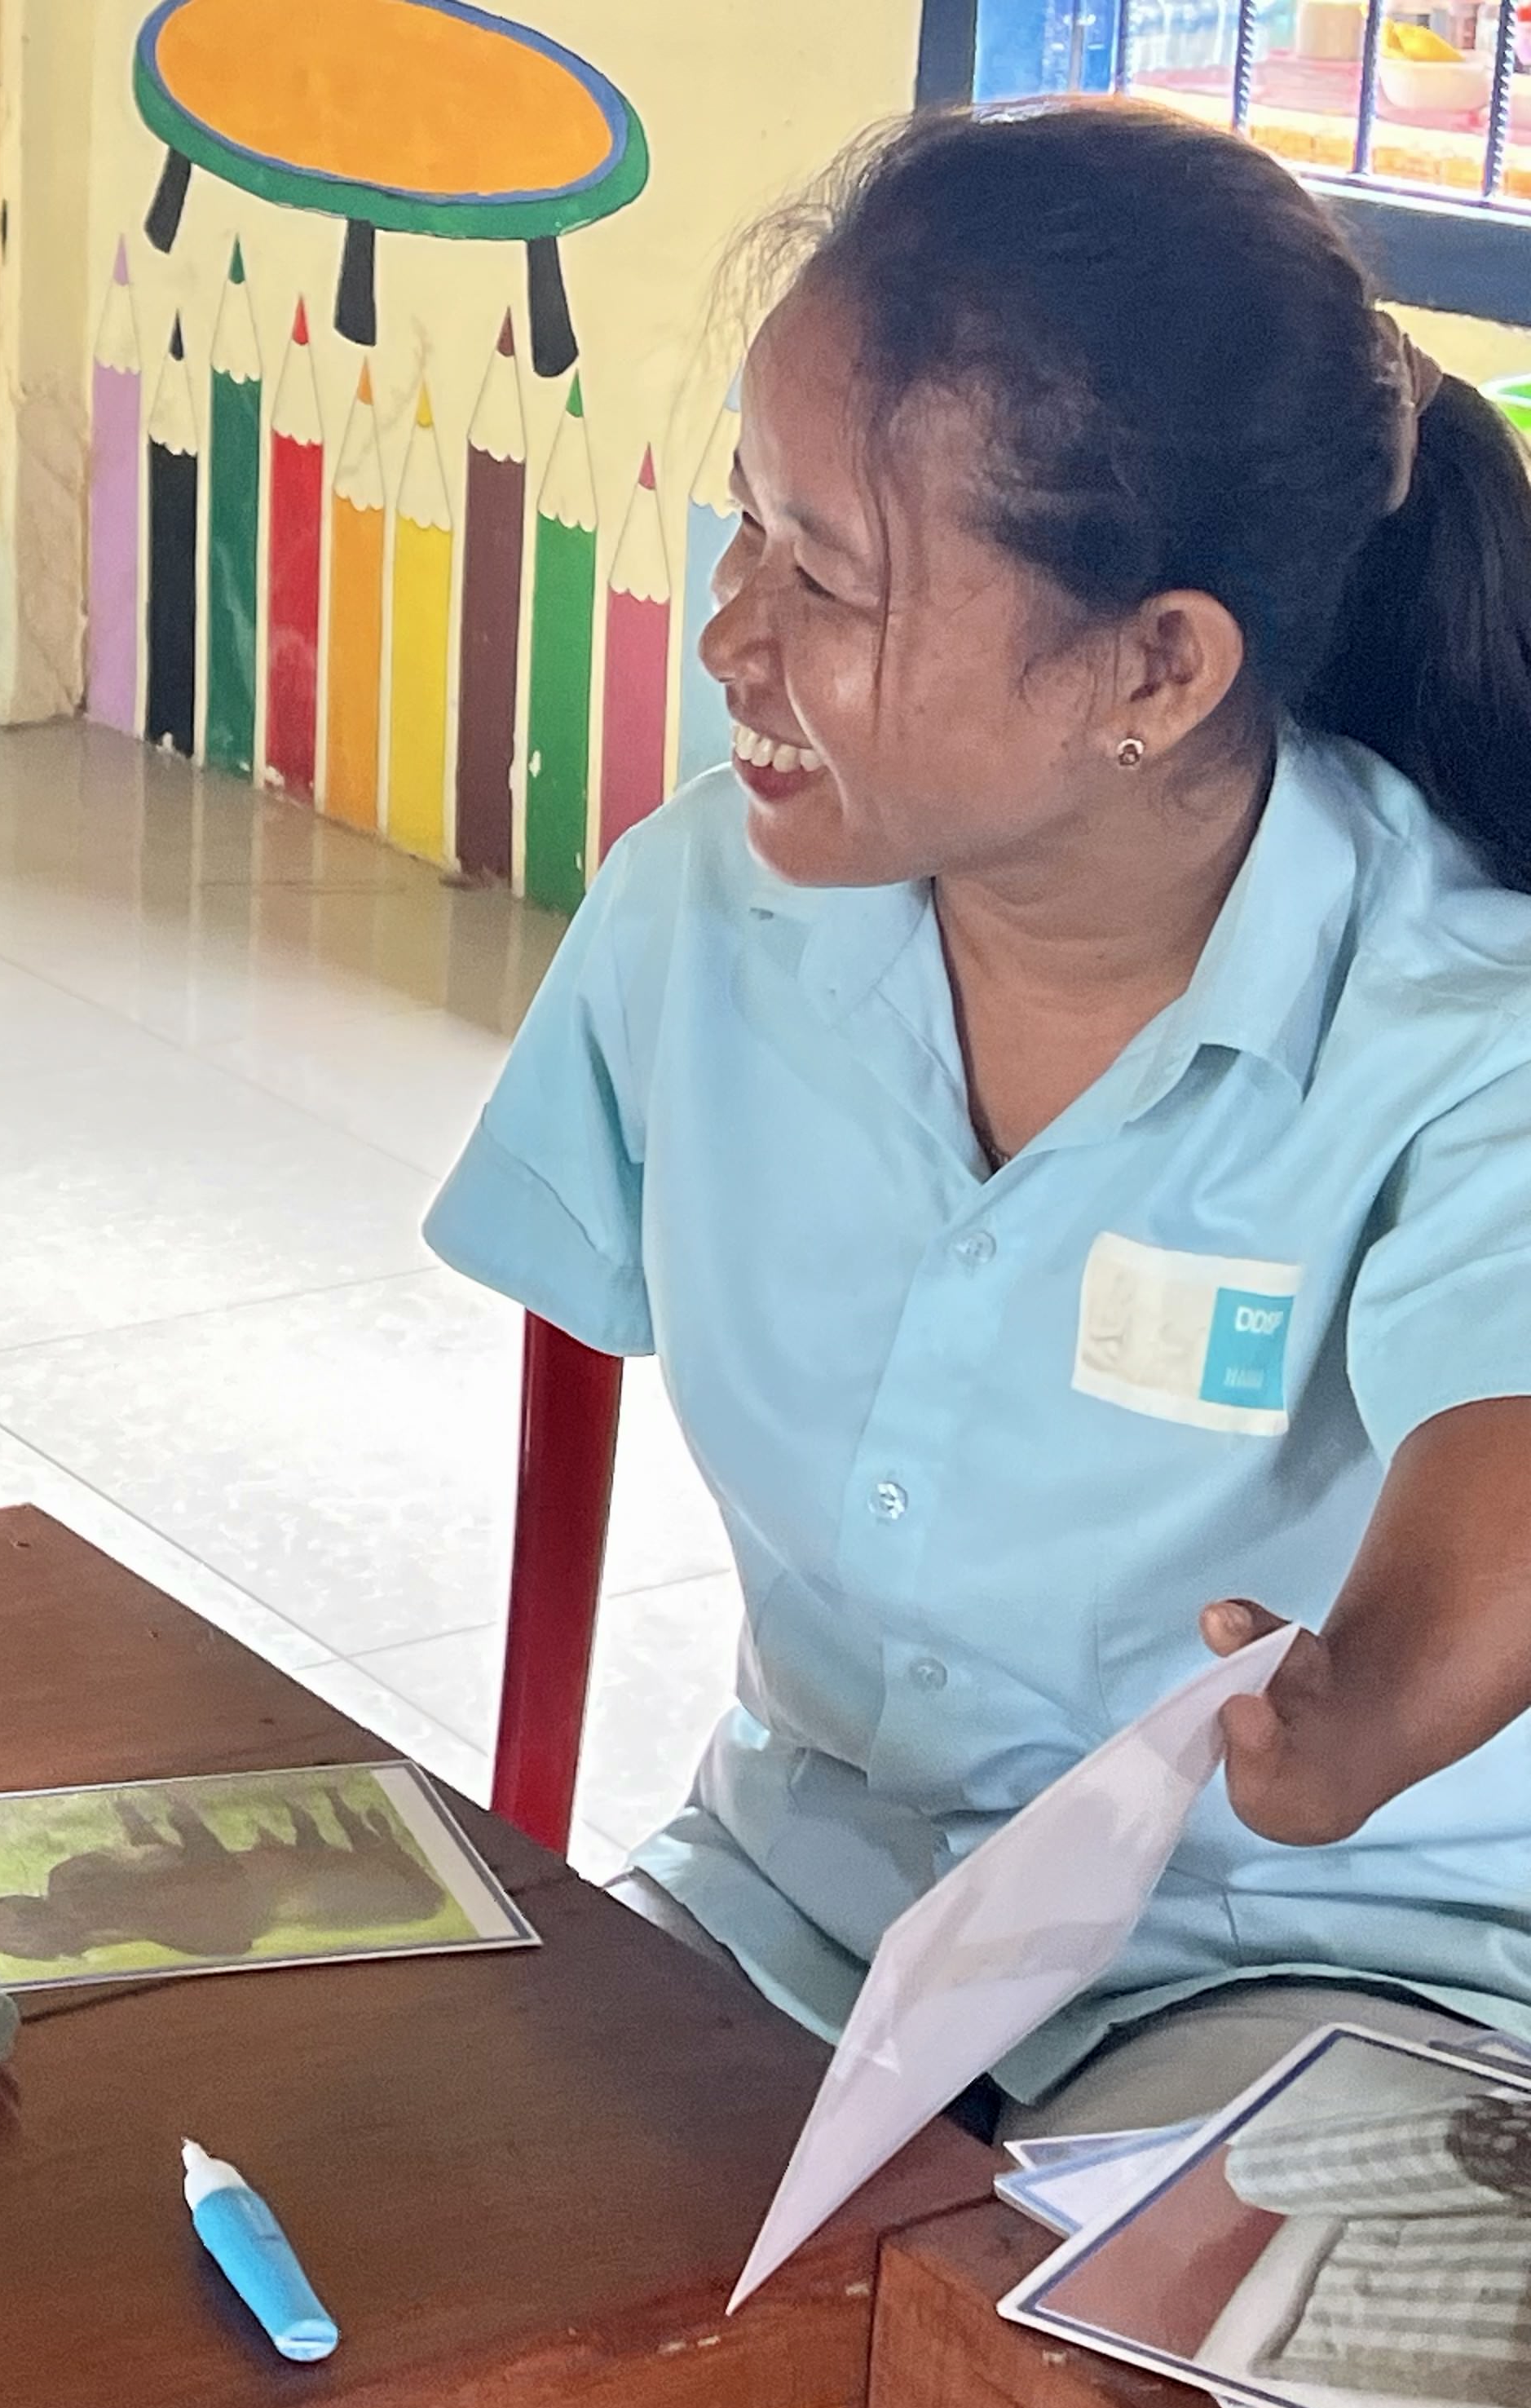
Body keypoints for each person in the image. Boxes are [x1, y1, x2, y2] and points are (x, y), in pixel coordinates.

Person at [426, 99, 1531, 2136]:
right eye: (746, 520)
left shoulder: (1467, 1033)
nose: (732, 628)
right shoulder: (705, 912)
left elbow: (1510, 1467)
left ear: (1155, 669)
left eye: (828, 577)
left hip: (1308, 1972)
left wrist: (1359, 1708)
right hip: (798, 1911)